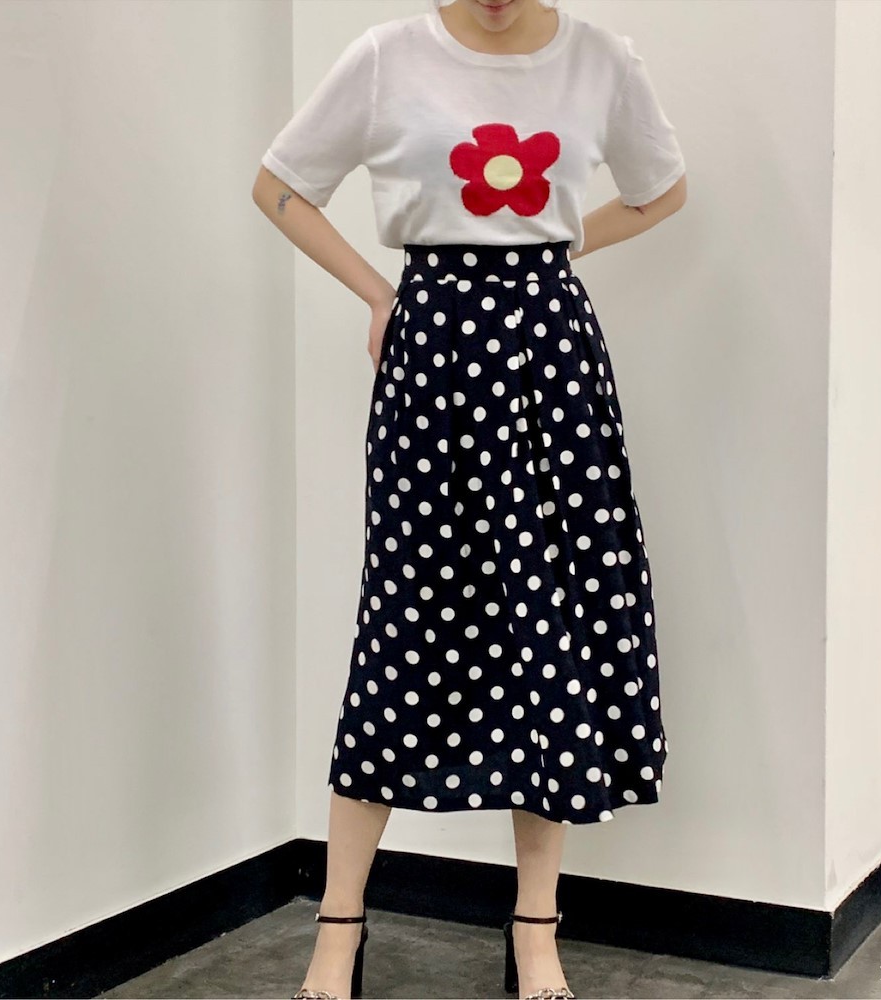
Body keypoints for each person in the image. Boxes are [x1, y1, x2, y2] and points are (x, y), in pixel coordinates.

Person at [252, 0, 687, 997]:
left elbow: (662, 189)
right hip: (434, 353)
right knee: (404, 620)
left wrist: (555, 248)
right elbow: (279, 184)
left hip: (554, 364)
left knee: (553, 625)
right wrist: (380, 292)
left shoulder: (601, 60)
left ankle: (536, 931)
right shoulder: (386, 56)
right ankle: (338, 926)